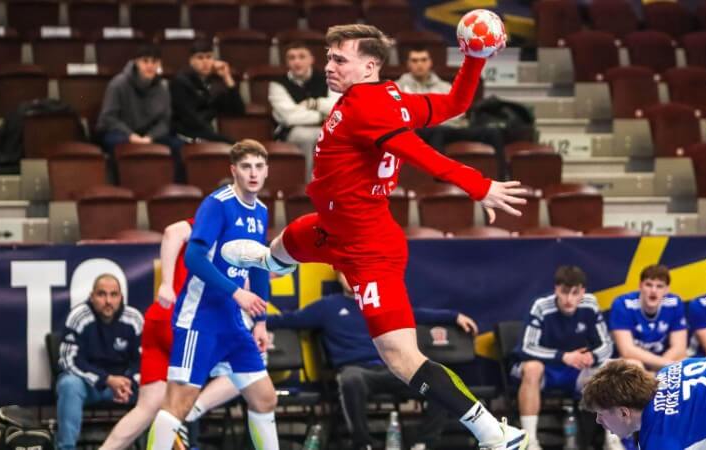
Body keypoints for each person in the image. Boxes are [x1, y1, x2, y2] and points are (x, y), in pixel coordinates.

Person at [221, 24, 528, 450]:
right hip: (330, 226)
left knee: (401, 357)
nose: (328, 67)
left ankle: (492, 431)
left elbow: (420, 154)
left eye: (339, 59)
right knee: (280, 247)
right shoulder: (390, 98)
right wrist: (473, 60)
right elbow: (457, 103)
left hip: (368, 246)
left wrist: (478, 185)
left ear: (369, 66)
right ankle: (268, 261)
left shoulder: (369, 107)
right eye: (328, 58)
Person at [147, 140, 279, 450]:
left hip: (232, 323)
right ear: (234, 170)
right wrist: (236, 292)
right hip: (199, 319)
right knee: (179, 404)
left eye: (259, 167)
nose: (253, 173)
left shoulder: (261, 211)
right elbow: (194, 258)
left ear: (267, 171)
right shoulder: (217, 204)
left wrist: (261, 321)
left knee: (265, 398)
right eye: (246, 167)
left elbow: (259, 265)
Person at [268, 270, 479, 450]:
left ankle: (423, 443)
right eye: (346, 273)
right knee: (350, 379)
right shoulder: (327, 307)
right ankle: (363, 444)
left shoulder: (379, 303)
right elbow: (287, 320)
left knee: (436, 383)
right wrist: (255, 321)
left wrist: (454, 317)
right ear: (339, 276)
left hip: (393, 369)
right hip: (357, 371)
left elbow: (417, 314)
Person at [99, 218, 264, 450]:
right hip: (187, 320)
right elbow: (171, 231)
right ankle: (190, 411)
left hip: (160, 316)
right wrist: (166, 283)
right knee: (249, 366)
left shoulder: (218, 232)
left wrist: (167, 284)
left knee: (147, 407)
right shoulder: (217, 221)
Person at [510, 265, 614, 450]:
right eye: (564, 292)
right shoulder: (541, 306)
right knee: (532, 368)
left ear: (583, 291)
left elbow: (607, 344)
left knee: (610, 369)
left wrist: (592, 356)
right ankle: (530, 441)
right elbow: (526, 347)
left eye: (575, 293)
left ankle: (612, 439)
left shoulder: (590, 304)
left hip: (577, 371)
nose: (569, 299)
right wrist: (563, 356)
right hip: (546, 370)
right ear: (556, 289)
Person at [582, 358, 706, 449]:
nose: (598, 420)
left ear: (624, 413)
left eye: (601, 413)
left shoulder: (659, 441)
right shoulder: (669, 370)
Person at [57, 274, 143, 450]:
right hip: (91, 386)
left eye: (114, 294)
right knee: (69, 384)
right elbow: (68, 361)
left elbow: (144, 361)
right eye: (102, 294)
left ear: (121, 297)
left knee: (155, 388)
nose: (108, 301)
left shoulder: (134, 318)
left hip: (125, 387)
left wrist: (129, 383)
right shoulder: (78, 316)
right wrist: (107, 380)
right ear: (92, 296)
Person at [395, 47, 506, 179]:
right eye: (415, 60)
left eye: (423, 60)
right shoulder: (397, 88)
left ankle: (503, 177)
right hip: (419, 131)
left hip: (451, 128)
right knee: (437, 131)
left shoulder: (445, 87)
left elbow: (459, 114)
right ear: (408, 64)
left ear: (430, 62)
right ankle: (441, 180)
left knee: (493, 132)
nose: (419, 64)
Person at [95, 44, 184, 180]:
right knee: (115, 142)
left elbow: (165, 121)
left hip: (149, 134)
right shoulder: (118, 84)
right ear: (136, 62)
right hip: (121, 132)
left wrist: (150, 137)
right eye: (145, 61)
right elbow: (109, 117)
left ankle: (172, 185)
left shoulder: (163, 87)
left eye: (154, 62)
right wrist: (131, 136)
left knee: (178, 145)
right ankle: (120, 183)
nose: (150, 66)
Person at [268, 42, 340, 175]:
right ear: (287, 62)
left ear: (311, 59)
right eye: (292, 58)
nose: (297, 62)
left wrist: (314, 104)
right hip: (292, 131)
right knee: (307, 136)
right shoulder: (277, 84)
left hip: (327, 127)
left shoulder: (328, 79)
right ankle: (308, 183)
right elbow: (290, 118)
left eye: (302, 57)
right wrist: (322, 116)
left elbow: (338, 107)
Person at [609, 264, 687, 372]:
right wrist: (663, 365)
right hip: (634, 360)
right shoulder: (623, 304)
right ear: (640, 286)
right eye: (649, 285)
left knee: (683, 359)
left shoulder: (674, 303)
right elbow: (626, 350)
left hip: (662, 359)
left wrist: (659, 369)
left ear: (667, 290)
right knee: (633, 365)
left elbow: (679, 347)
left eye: (659, 286)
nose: (653, 290)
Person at [170, 39, 245, 144]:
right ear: (191, 61)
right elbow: (189, 118)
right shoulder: (180, 82)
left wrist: (227, 77)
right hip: (184, 134)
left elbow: (238, 111)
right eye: (200, 57)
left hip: (206, 134)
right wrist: (214, 136)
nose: (205, 62)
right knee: (231, 145)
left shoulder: (215, 83)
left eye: (209, 57)